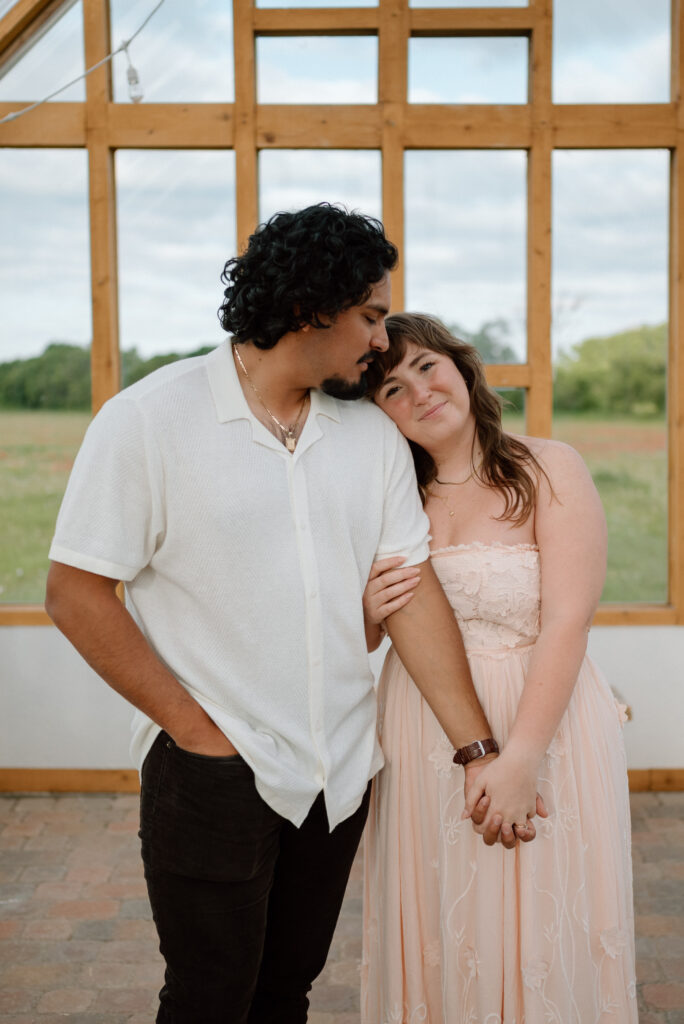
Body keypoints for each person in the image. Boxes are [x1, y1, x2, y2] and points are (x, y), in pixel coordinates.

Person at [44, 206, 536, 1024]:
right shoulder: (148, 419)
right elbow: (74, 591)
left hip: (338, 777)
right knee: (208, 999)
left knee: (285, 995)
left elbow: (411, 593)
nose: (380, 341)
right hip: (211, 776)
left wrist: (477, 748)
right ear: (315, 306)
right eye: (372, 315)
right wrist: (195, 731)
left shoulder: (368, 438)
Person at [360, 313, 637, 1023]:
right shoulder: (387, 499)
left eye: (427, 367)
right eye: (393, 388)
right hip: (423, 728)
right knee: (442, 920)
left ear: (461, 366)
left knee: (544, 920)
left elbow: (567, 620)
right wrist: (364, 611)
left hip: (543, 721)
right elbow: (359, 639)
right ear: (380, 415)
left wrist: (521, 759)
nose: (419, 392)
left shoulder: (547, 466)